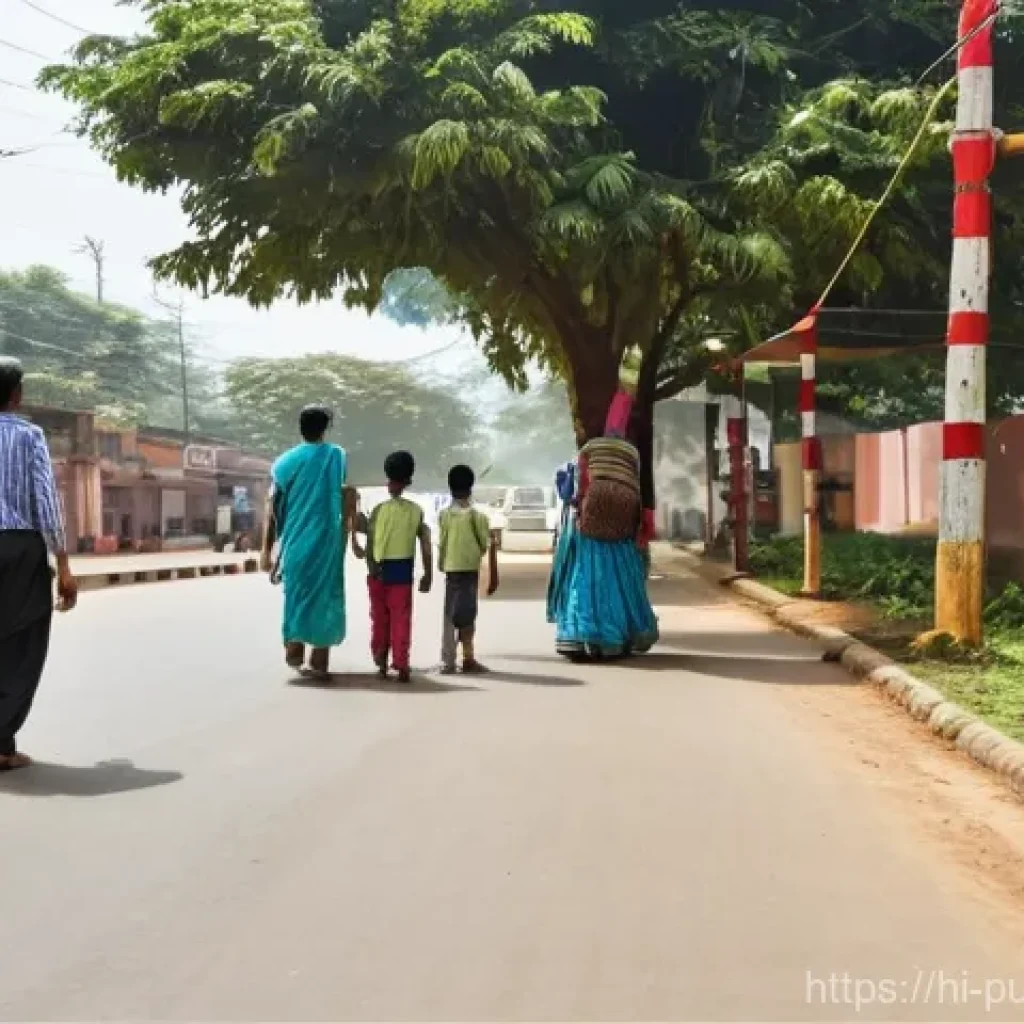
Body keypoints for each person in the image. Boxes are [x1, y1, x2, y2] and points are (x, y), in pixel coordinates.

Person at [0, 357, 78, 770]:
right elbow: (46, 502)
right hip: (17, 547)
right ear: (16, 395)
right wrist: (63, 564)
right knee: (23, 644)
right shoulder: (29, 436)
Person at [546, 386, 658, 659]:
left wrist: (578, 506)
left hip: (592, 511)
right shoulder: (632, 452)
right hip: (625, 508)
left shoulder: (588, 448)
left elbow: (578, 489)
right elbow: (642, 487)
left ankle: (579, 636)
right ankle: (616, 638)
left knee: (584, 575)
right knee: (621, 573)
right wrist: (643, 524)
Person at [261, 404, 355, 679]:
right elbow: (340, 491)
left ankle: (294, 644)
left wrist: (267, 549)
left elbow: (274, 508)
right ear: (325, 428)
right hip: (328, 541)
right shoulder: (336, 456)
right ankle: (320, 657)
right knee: (326, 596)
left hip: (296, 541)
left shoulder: (284, 463)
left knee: (297, 593)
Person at [355, 451, 432, 683]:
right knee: (401, 617)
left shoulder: (378, 510)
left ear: (388, 478)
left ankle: (380, 661)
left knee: (379, 618)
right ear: (408, 480)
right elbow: (426, 544)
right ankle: (402, 663)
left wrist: (371, 565)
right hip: (402, 572)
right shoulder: (416, 511)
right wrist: (428, 574)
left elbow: (369, 543)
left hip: (377, 571)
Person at [437, 464, 499, 674]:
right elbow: (484, 545)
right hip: (470, 572)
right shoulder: (478, 517)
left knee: (449, 615)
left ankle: (448, 661)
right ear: (470, 488)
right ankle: (468, 658)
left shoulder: (444, 515)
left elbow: (442, 542)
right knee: (468, 615)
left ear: (450, 487)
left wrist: (441, 562)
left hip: (451, 571)